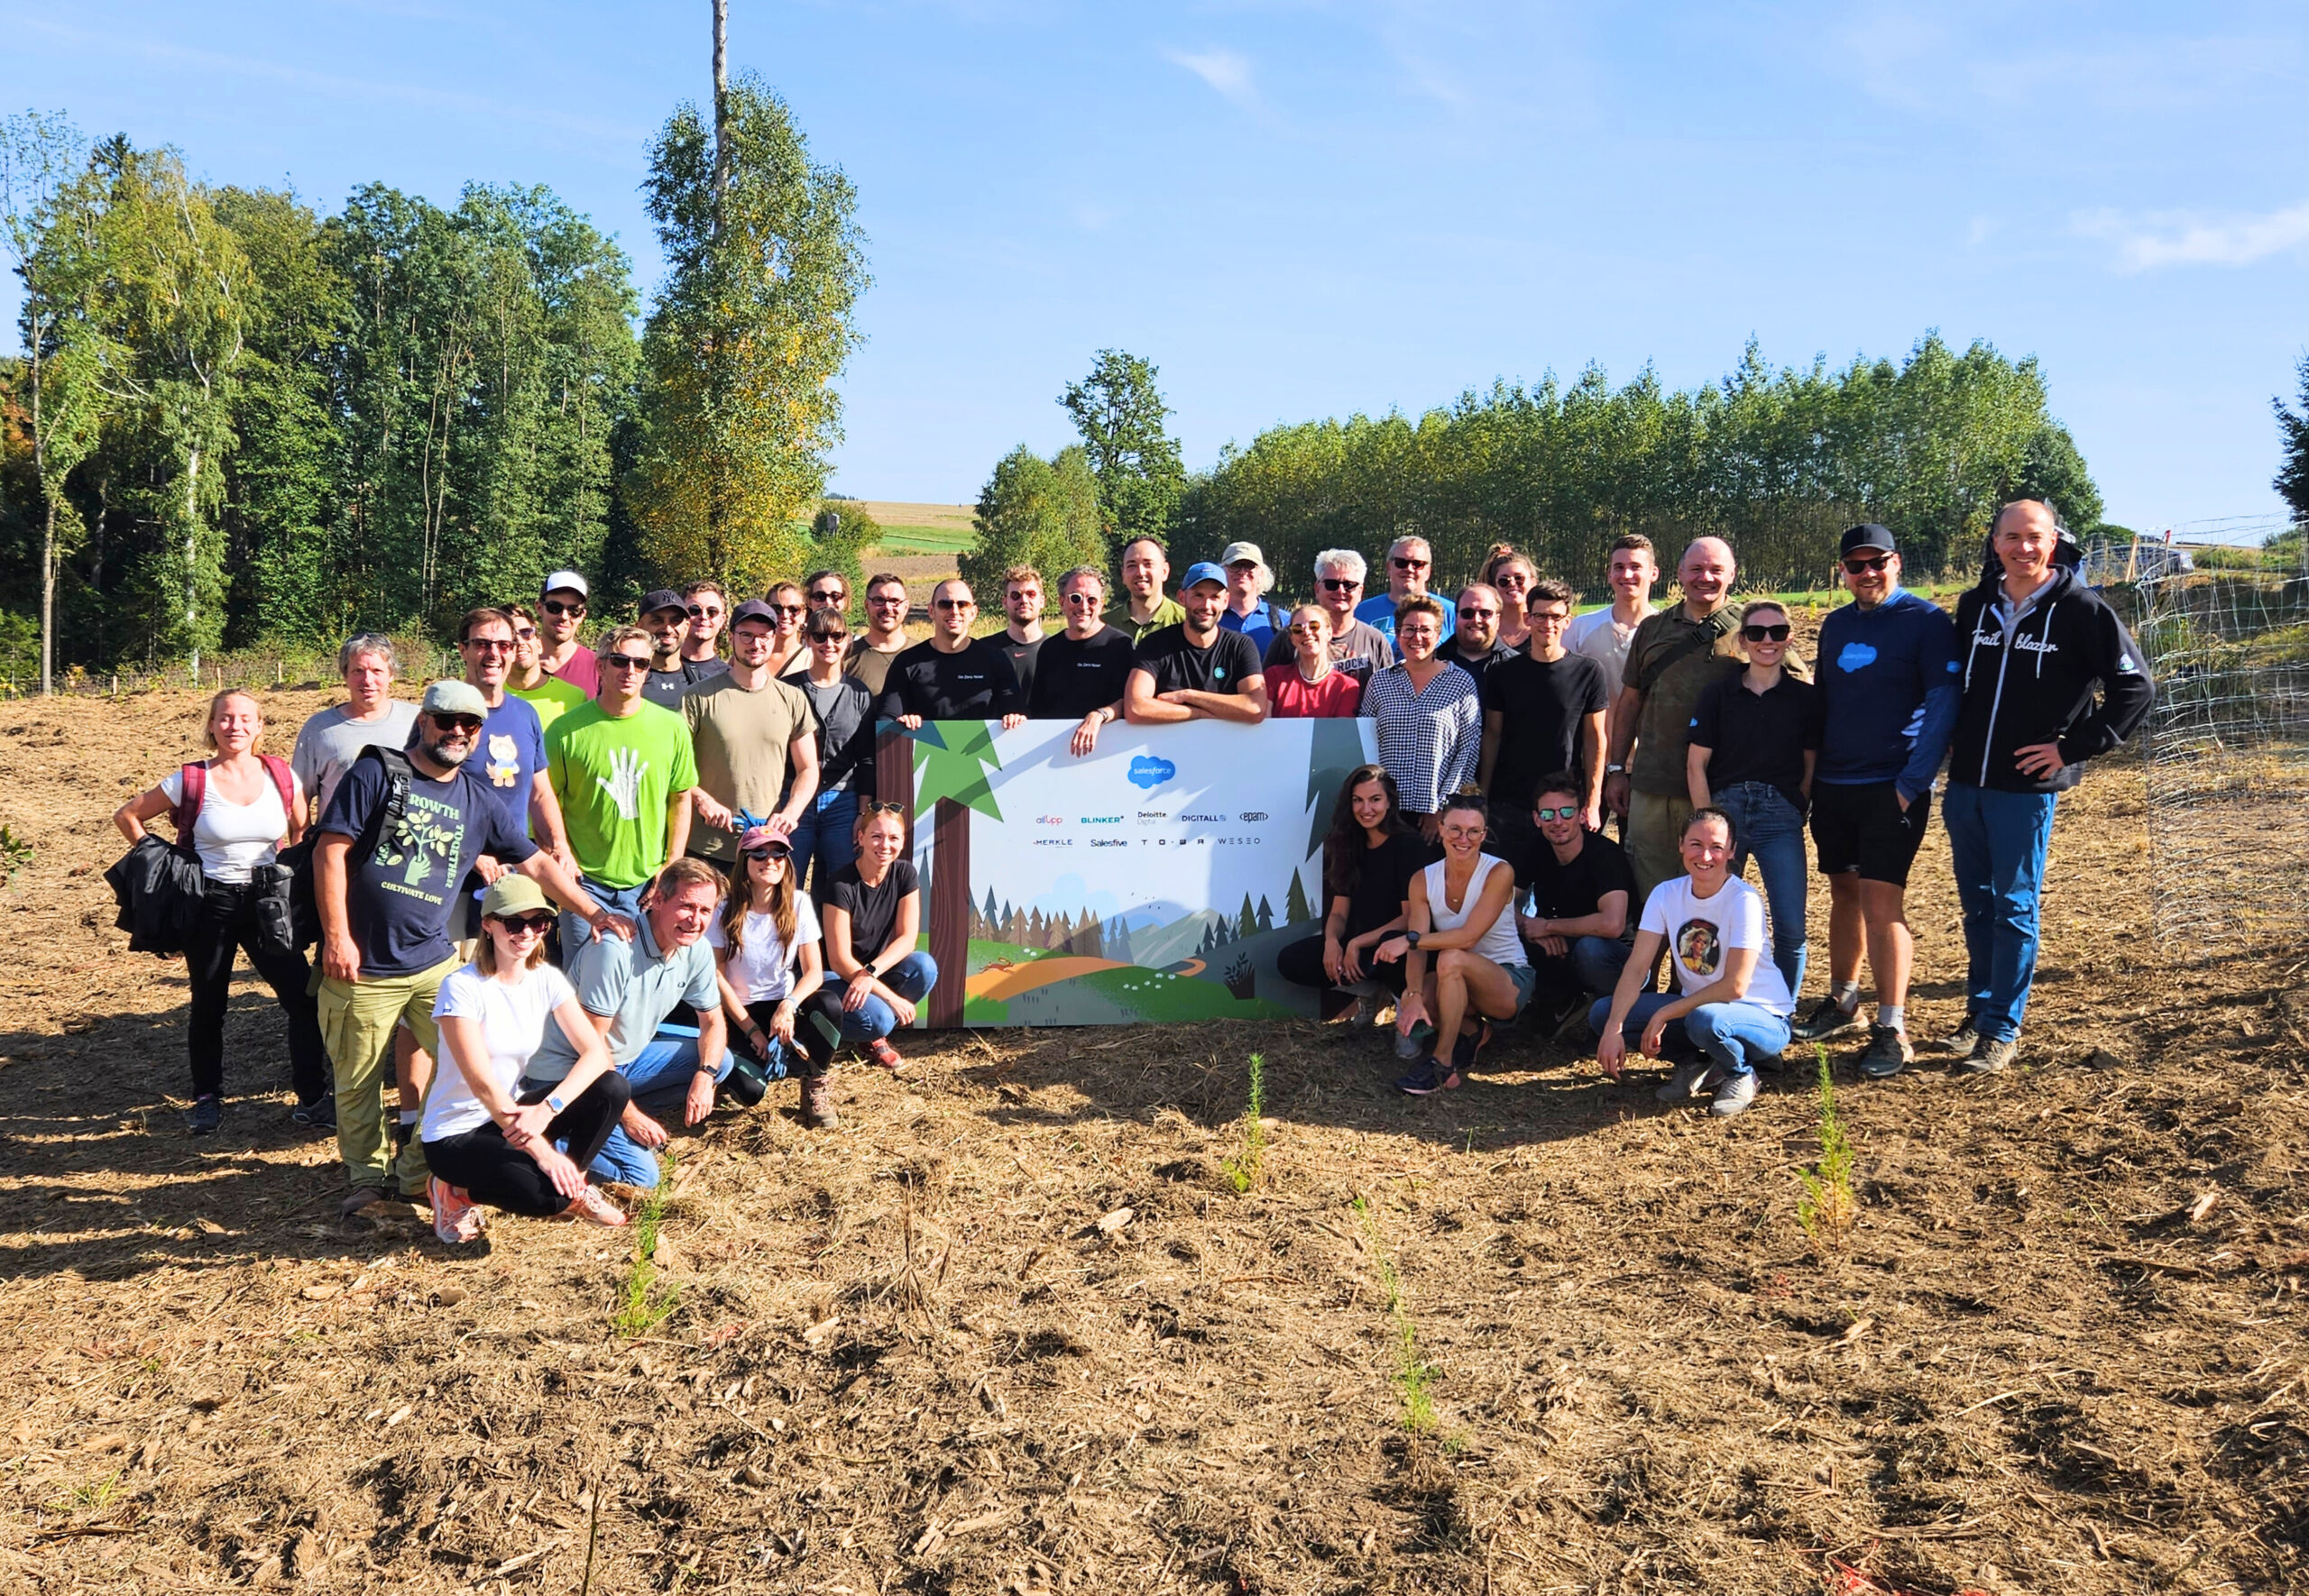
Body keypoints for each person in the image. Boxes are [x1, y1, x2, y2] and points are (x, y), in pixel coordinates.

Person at [316, 680, 627, 1217]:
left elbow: (538, 865)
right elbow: (331, 851)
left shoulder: (477, 798)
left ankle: (421, 1175)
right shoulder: (377, 773)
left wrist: (594, 912)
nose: (457, 731)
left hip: (435, 960)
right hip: (364, 963)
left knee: (458, 1071)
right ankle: (369, 1180)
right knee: (359, 1080)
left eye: (470, 724)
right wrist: (338, 935)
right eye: (446, 721)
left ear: (480, 733)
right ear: (425, 722)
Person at [1938, 499, 2152, 1073]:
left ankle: (2003, 1027)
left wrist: (2072, 748)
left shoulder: (2083, 610)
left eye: (2033, 537)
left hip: (2025, 791)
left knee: (2013, 907)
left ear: (2052, 542)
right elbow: (1956, 683)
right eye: (2011, 537)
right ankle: (1979, 1013)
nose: (2022, 548)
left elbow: (2134, 690)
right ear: (1995, 542)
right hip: (1965, 785)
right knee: (1977, 905)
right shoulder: (1975, 605)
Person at [115, 690, 327, 1136]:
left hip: (268, 905)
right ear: (211, 726)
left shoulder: (282, 775)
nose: (236, 726)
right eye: (226, 718)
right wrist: (165, 862)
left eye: (245, 718)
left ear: (260, 725)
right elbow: (128, 816)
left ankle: (311, 1097)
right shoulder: (191, 780)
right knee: (209, 1005)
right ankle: (207, 1097)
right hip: (209, 903)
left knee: (302, 999)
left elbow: (300, 830)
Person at [1791, 523, 1959, 1078]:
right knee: (1843, 892)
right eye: (1855, 566)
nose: (1867, 574)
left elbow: (1942, 704)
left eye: (1876, 563)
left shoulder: (1928, 622)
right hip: (1837, 785)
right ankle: (1844, 1002)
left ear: (1897, 562)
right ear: (1842, 571)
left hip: (1892, 787)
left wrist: (1910, 783)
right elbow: (1827, 703)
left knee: (1882, 902)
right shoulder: (1836, 625)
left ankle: (1892, 1026)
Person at [419, 875, 630, 1243]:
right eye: (514, 923)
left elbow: (596, 1053)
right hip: (456, 1133)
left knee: (611, 1087)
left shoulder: (545, 978)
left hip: (513, 1115)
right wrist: (542, 1153)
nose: (527, 933)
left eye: (539, 923)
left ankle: (575, 1182)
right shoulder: (462, 987)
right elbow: (482, 1083)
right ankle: (453, 1192)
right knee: (550, 1198)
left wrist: (548, 1109)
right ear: (487, 925)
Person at [521, 857, 732, 1189]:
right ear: (658, 900)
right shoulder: (615, 949)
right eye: (687, 906)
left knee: (719, 1062)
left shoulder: (697, 950)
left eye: (705, 911)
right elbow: (589, 1048)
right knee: (643, 1178)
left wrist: (705, 1078)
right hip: (568, 1073)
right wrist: (630, 1117)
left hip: (623, 1064)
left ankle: (610, 1115)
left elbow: (714, 1023)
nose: (695, 920)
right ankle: (548, 1137)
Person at [1589, 807, 1794, 1118]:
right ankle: (1696, 1064)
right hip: (1699, 1011)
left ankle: (1740, 1073)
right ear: (1681, 845)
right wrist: (1613, 1028)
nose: (1706, 856)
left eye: (1716, 847)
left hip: (1762, 1017)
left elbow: (1735, 987)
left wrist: (1665, 1012)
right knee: (1603, 1013)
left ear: (1731, 852)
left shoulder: (1744, 900)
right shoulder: (1666, 894)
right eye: (1696, 844)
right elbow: (1636, 967)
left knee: (1705, 1020)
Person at [1687, 601, 1818, 1000]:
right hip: (1726, 814)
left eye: (1777, 632)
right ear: (1742, 640)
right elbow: (1696, 764)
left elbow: (1810, 765)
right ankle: (1715, 1004)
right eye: (1757, 633)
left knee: (1790, 925)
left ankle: (1781, 1009)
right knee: (1714, 919)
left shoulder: (1805, 698)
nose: (1767, 641)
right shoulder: (1718, 694)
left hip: (1780, 814)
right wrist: (1707, 824)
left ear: (1788, 638)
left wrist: (1797, 806)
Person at [1603, 537, 1744, 904]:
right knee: (1651, 898)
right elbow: (1630, 702)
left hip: (1719, 788)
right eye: (1696, 569)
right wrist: (1617, 768)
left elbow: (1791, 691)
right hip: (1652, 785)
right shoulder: (1653, 629)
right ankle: (1647, 966)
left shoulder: (1752, 628)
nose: (1705, 577)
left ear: (1732, 573)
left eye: (1716, 569)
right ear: (1679, 574)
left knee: (1711, 899)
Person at [546, 627, 698, 954]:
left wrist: (672, 864)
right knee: (582, 984)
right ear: (601, 666)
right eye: (620, 660)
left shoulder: (672, 728)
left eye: (641, 663)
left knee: (640, 981)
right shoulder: (565, 730)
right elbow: (546, 799)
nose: (630, 670)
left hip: (648, 884)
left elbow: (680, 798)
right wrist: (562, 852)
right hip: (584, 883)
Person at [1374, 794, 1532, 1096]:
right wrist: (1414, 994)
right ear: (1441, 828)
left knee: (1450, 958)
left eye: (1474, 831)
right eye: (1456, 829)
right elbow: (1419, 949)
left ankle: (1442, 1063)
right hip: (1456, 975)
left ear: (1484, 835)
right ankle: (1473, 1032)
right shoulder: (1422, 879)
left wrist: (1408, 941)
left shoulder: (1500, 872)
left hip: (1508, 981)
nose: (1464, 838)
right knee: (1419, 990)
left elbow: (1468, 937)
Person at [1275, 765, 1432, 1019]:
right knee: (1291, 960)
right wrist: (1332, 942)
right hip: (1356, 946)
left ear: (1390, 802)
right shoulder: (1346, 843)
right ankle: (1368, 991)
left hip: (1392, 944)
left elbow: (1410, 919)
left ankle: (1405, 1014)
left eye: (1375, 800)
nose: (1366, 809)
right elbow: (1339, 910)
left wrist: (1357, 943)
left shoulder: (1408, 845)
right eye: (1358, 800)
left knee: (1393, 945)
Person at [710, 827, 842, 1128]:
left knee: (830, 1005)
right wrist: (752, 1029)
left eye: (778, 853)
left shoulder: (798, 903)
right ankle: (734, 1069)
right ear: (744, 860)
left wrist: (789, 1005)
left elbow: (814, 972)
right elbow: (716, 976)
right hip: (738, 1012)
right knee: (751, 1092)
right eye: (759, 853)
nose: (770, 860)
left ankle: (815, 1082)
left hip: (782, 1007)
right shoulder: (722, 909)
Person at [683, 598, 819, 874]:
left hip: (765, 848)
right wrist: (703, 800)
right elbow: (673, 766)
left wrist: (791, 812)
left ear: (774, 639)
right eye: (746, 635)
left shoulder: (792, 699)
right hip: (705, 847)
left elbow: (808, 769)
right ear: (731, 636)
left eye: (764, 636)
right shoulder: (698, 696)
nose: (755, 644)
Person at [1479, 577, 1609, 861]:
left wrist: (1593, 800)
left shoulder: (1589, 672)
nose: (1547, 623)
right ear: (1528, 618)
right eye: (1539, 615)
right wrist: (1483, 798)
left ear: (1568, 621)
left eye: (1555, 617)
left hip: (1564, 805)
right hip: (1509, 803)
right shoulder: (1502, 673)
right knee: (1506, 891)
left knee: (1566, 894)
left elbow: (1595, 739)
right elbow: (1492, 735)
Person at [818, 803, 940, 1070]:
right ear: (860, 838)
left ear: (903, 840)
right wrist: (893, 999)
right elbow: (839, 960)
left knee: (925, 967)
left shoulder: (905, 873)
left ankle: (870, 1031)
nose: (885, 845)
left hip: (870, 973)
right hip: (836, 978)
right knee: (883, 1018)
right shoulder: (840, 885)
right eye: (876, 836)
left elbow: (907, 938)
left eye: (894, 837)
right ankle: (825, 1033)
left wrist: (870, 973)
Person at [1513, 774, 1636, 1025]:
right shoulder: (1537, 847)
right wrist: (1527, 927)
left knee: (1590, 949)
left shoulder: (1604, 855)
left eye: (1566, 812)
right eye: (1548, 814)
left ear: (1581, 815)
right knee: (1510, 934)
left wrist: (1547, 926)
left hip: (1617, 956)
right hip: (1562, 941)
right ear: (1537, 819)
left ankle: (1614, 1015)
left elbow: (1612, 925)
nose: (1557, 821)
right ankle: (1562, 1002)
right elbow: (1500, 901)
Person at [457, 608, 573, 862]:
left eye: (503, 645)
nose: (494, 653)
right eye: (482, 644)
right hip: (456, 868)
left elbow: (540, 793)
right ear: (463, 650)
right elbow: (425, 796)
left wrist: (559, 845)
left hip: (514, 864)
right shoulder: (445, 714)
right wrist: (471, 854)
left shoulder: (525, 714)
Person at [1359, 595, 1480, 837]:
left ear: (1438, 635)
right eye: (1409, 630)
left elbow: (1468, 750)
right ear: (1398, 632)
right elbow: (1365, 744)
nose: (1417, 637)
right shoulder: (1380, 682)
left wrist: (1442, 807)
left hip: (1435, 818)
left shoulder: (1460, 682)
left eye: (1426, 630)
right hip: (1384, 813)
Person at [290, 634, 419, 825]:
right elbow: (297, 792)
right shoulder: (319, 728)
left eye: (377, 671)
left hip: (406, 846)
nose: (368, 680)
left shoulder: (418, 721)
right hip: (339, 847)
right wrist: (305, 841)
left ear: (391, 675)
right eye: (358, 671)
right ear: (345, 675)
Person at [790, 609, 878, 887]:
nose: (829, 644)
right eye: (820, 636)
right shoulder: (788, 690)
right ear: (807, 639)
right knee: (786, 884)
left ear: (848, 640)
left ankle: (834, 934)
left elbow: (866, 759)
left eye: (837, 636)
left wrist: (863, 813)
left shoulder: (860, 693)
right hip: (793, 800)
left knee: (843, 886)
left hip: (843, 802)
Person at [1124, 562, 1269, 725]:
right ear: (1182, 598)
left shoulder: (1240, 646)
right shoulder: (1155, 644)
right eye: (1198, 595)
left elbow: (1256, 708)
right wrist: (1196, 713)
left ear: (1225, 601)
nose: (1206, 606)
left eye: (1215, 597)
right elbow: (1135, 708)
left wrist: (1189, 696)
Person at [878, 579, 1027, 727]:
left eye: (963, 605)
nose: (955, 611)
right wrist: (902, 723)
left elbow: (1016, 712)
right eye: (945, 604)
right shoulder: (907, 663)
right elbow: (887, 718)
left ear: (974, 613)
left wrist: (1014, 718)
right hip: (927, 750)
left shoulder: (996, 660)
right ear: (931, 611)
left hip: (986, 750)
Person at [1027, 566, 1136, 756]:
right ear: (1062, 602)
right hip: (1053, 752)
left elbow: (1128, 701)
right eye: (1075, 598)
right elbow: (1037, 709)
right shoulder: (1049, 649)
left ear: (1101, 605)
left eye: (1091, 600)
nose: (1083, 606)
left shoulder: (1120, 646)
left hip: (1106, 750)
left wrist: (1099, 715)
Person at [1263, 549, 1395, 687]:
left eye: (1349, 585)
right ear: (1317, 589)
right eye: (1331, 584)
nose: (1340, 590)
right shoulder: (1290, 637)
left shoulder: (1375, 641)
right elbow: (1268, 690)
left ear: (1360, 591)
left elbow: (1388, 694)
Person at [1563, 533, 1659, 704]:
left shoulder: (1665, 628)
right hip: (1593, 731)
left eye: (1636, 566)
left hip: (1651, 732)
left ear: (1654, 573)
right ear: (1609, 574)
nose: (1627, 575)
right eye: (1619, 567)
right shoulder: (1580, 628)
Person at [504, 602, 589, 732]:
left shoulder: (574, 697)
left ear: (539, 644)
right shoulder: (485, 698)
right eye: (510, 637)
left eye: (526, 633)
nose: (520, 642)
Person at [1266, 604, 1365, 718]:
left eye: (1313, 626)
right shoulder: (1274, 677)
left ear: (1329, 633)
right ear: (1292, 639)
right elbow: (1265, 729)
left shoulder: (1346, 687)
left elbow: (1340, 732)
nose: (1306, 632)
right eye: (1297, 629)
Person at [1355, 534, 1433, 646]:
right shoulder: (1362, 612)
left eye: (1417, 564)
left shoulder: (1451, 613)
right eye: (1401, 563)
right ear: (1389, 568)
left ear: (1428, 571)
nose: (1409, 569)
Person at [846, 573, 912, 699]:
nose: (887, 607)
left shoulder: (923, 655)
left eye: (895, 601)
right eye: (879, 600)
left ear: (906, 607)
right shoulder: (846, 657)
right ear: (866, 605)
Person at [1216, 540, 1288, 656]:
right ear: (1222, 572)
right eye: (1235, 566)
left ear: (1261, 574)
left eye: (1250, 566)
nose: (1242, 572)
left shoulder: (1283, 621)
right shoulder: (1210, 617)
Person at [536, 569, 600, 696]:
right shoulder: (516, 662)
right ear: (539, 608)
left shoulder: (599, 668)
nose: (564, 616)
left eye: (573, 610)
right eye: (555, 608)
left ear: (582, 616)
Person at [639, 589, 704, 711]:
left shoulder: (702, 682)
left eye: (676, 621)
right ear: (640, 627)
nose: (668, 629)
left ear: (686, 628)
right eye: (657, 621)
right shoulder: (627, 679)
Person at [1444, 583, 1516, 693]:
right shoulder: (1432, 664)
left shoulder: (1517, 668)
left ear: (1497, 620)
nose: (1476, 620)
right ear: (1456, 616)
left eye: (1485, 613)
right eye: (1467, 613)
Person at [1112, 537, 1186, 642]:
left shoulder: (1186, 623)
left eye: (1148, 564)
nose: (1140, 572)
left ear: (1165, 571)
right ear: (1123, 574)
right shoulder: (1103, 625)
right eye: (1132, 566)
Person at [997, 565, 1047, 704]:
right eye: (1015, 595)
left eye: (1031, 594)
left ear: (1042, 601)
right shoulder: (986, 650)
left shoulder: (1056, 650)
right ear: (1005, 602)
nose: (1024, 600)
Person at [1484, 546, 1539, 653]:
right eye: (1504, 581)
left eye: (1519, 578)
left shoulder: (1544, 627)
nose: (1512, 584)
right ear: (1494, 586)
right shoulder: (1485, 628)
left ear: (1533, 582)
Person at [679, 581, 731, 682]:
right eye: (694, 610)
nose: (703, 616)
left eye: (712, 612)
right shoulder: (658, 670)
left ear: (722, 620)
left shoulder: (729, 678)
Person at [760, 580, 810, 678]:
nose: (785, 615)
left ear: (803, 615)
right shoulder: (751, 654)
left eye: (794, 609)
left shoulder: (811, 661)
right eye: (777, 609)